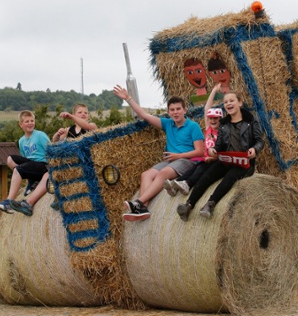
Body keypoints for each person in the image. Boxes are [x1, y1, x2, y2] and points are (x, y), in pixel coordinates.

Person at [113, 85, 204, 221]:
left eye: (178, 109)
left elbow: (200, 151)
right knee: (146, 175)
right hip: (171, 161)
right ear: (168, 112)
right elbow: (144, 115)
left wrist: (177, 156)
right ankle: (142, 208)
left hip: (187, 161)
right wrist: (128, 98)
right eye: (172, 110)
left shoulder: (193, 126)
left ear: (185, 110)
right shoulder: (168, 124)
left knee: (163, 174)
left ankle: (138, 202)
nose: (175, 112)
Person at [176, 91, 264, 221]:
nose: (228, 103)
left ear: (239, 102)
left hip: (245, 163)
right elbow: (219, 145)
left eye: (231, 100)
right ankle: (188, 205)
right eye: (226, 102)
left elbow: (260, 141)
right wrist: (213, 150)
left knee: (229, 178)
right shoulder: (223, 123)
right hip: (227, 160)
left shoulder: (251, 120)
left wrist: (254, 149)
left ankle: (210, 204)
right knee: (207, 176)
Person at [163, 83, 222, 197]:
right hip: (205, 158)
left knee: (200, 170)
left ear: (221, 119)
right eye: (211, 118)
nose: (213, 120)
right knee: (195, 168)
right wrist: (214, 91)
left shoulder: (223, 131)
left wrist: (213, 157)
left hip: (214, 160)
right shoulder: (209, 129)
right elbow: (207, 109)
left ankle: (187, 184)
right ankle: (176, 184)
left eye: (216, 118)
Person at [0, 110, 50, 216]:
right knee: (10, 159)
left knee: (18, 169)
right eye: (27, 121)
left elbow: (51, 150)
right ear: (21, 124)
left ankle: (8, 201)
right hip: (32, 165)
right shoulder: (21, 141)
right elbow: (25, 157)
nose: (30, 123)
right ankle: (30, 180)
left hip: (43, 165)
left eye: (32, 121)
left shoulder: (40, 135)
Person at [50, 103, 98, 210]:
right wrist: (58, 134)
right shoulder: (68, 130)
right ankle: (59, 197)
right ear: (74, 114)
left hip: (87, 160)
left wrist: (72, 117)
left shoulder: (92, 126)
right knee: (57, 168)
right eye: (80, 112)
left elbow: (87, 126)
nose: (83, 114)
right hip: (72, 161)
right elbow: (56, 142)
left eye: (85, 112)